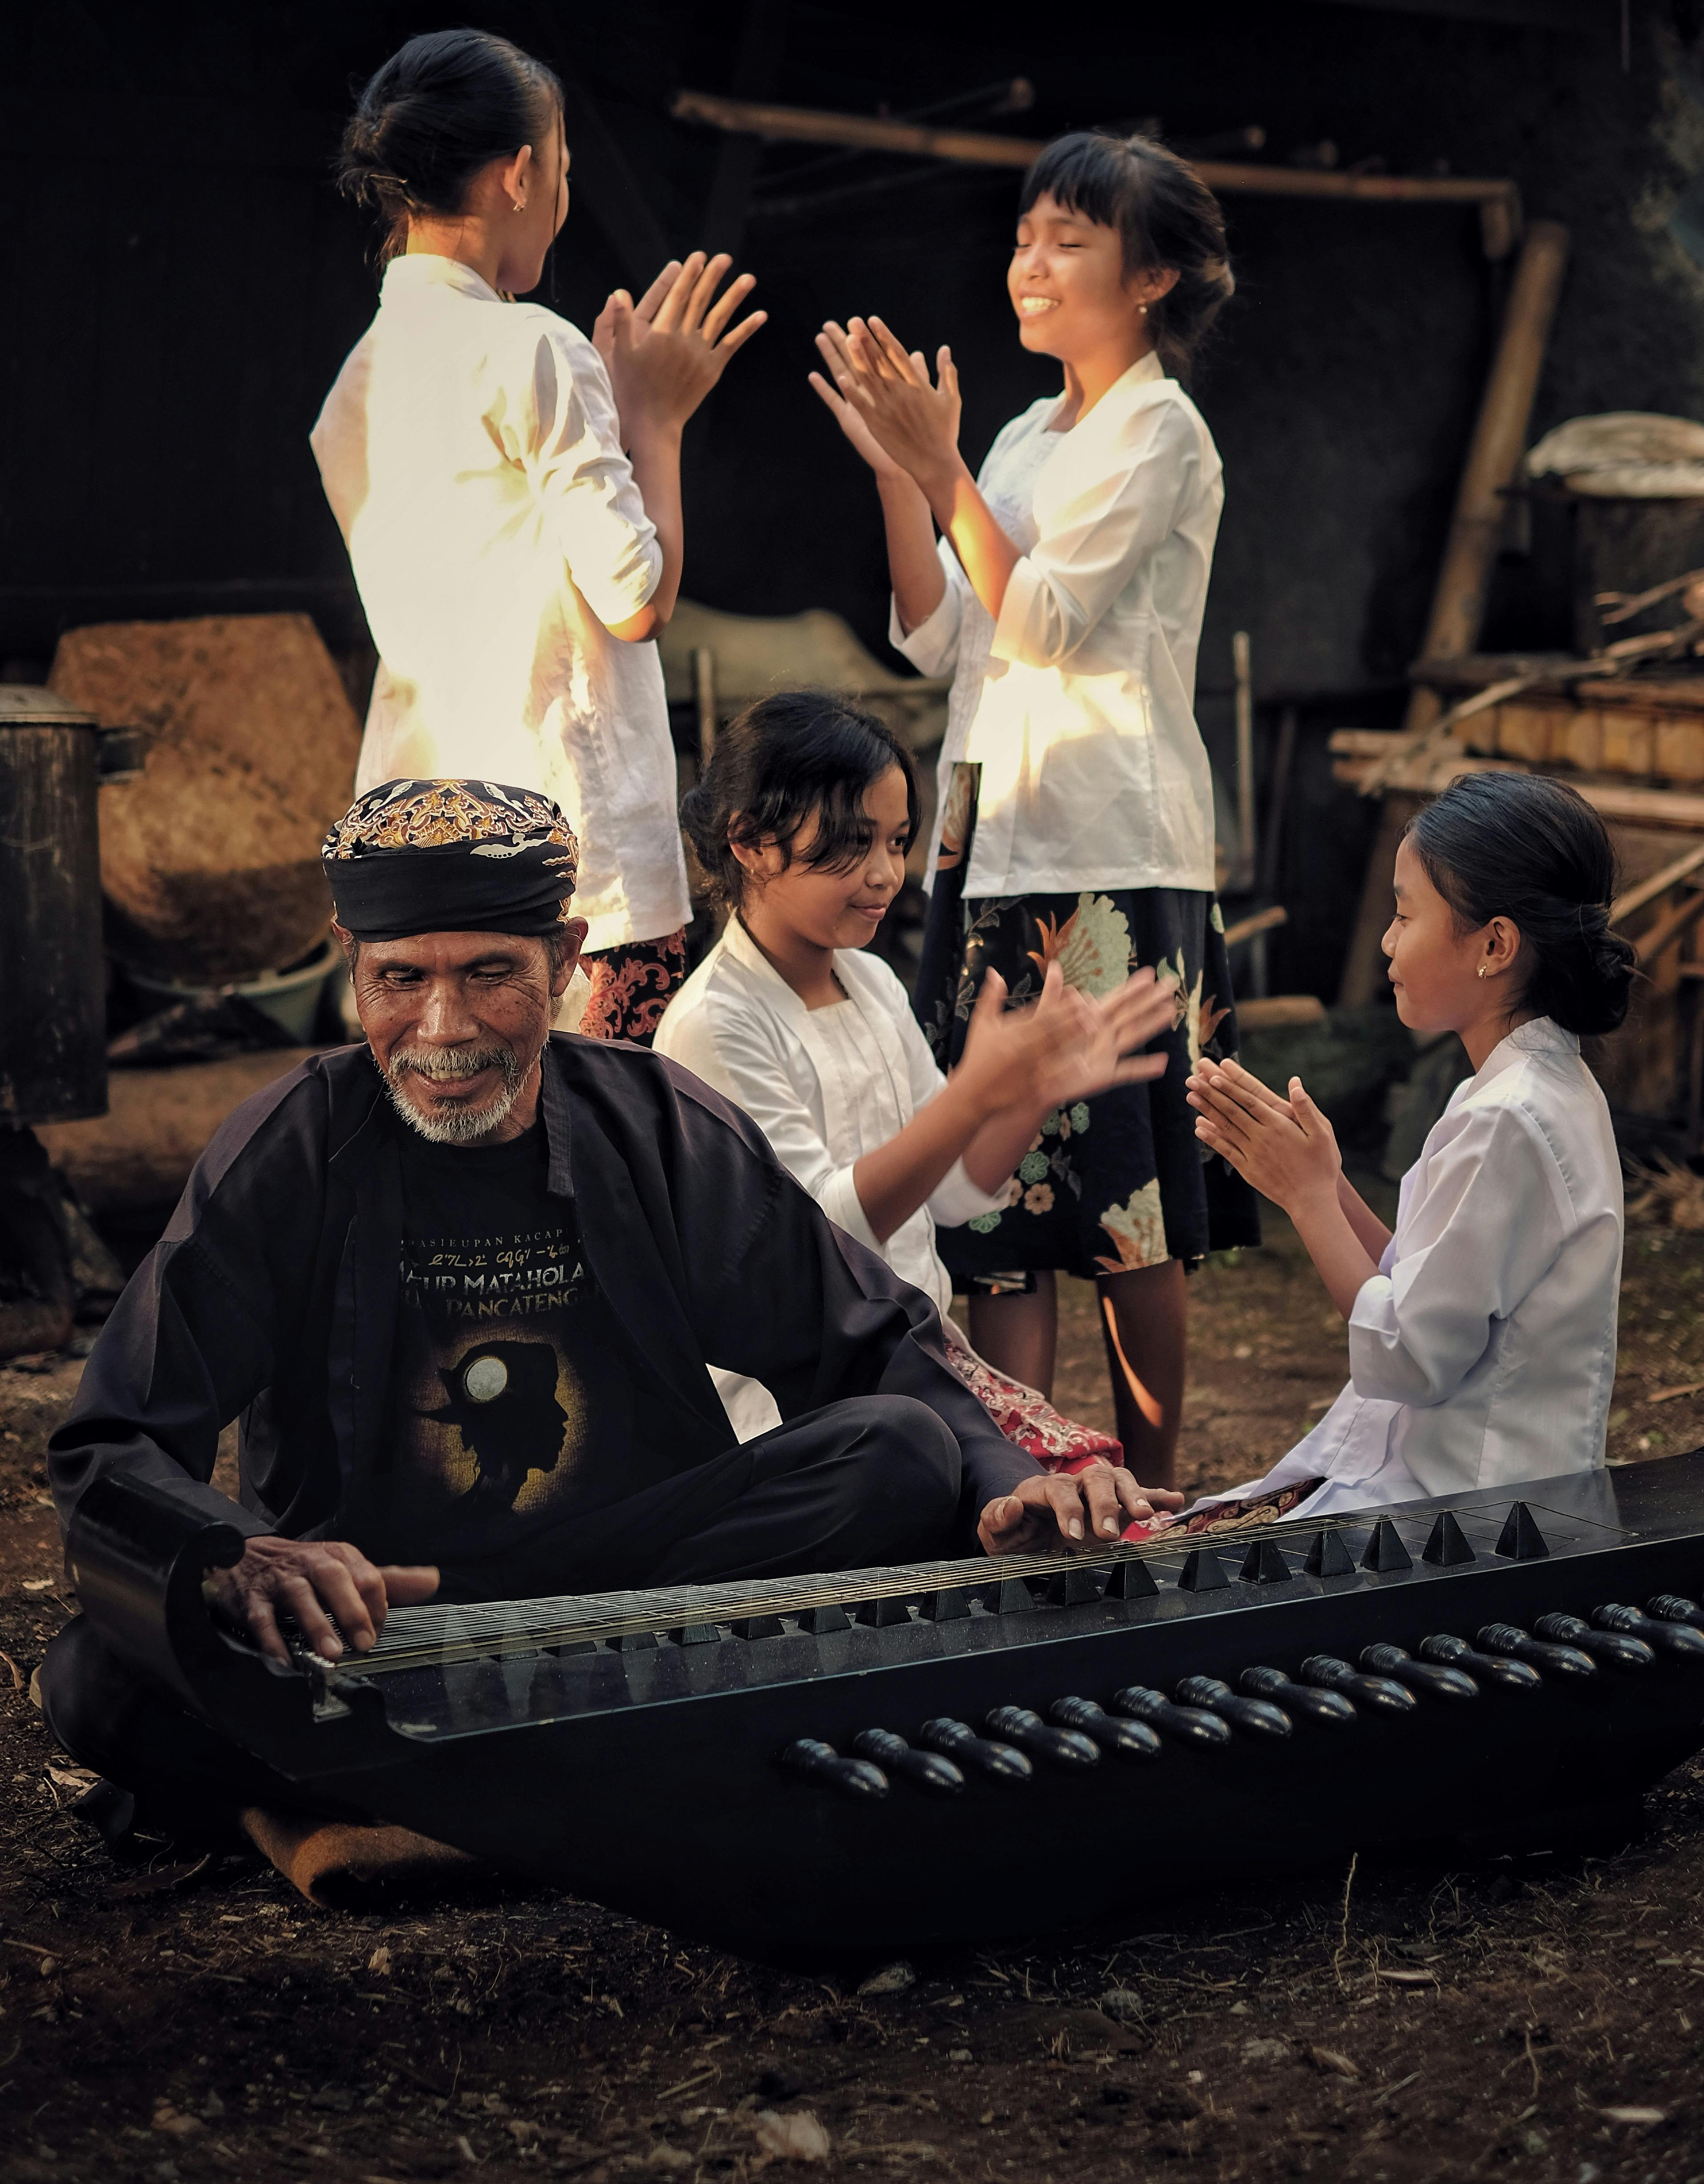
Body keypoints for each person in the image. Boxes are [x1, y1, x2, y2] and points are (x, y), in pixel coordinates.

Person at [41, 778, 1163, 1844]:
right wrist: (235, 1554)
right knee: (100, 1678)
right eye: (400, 981)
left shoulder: (658, 1126)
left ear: (568, 960)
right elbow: (115, 1441)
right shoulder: (289, 1150)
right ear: (351, 967)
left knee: (905, 1455)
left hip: (643, 1597)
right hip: (383, 1623)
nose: (443, 1029)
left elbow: (869, 1344)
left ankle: (472, 1792)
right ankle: (633, 1762)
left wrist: (1015, 1479)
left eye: (490, 974)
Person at [810, 128, 1258, 1487]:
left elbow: (1049, 619)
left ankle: (1152, 1474)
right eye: (1022, 236)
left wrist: (941, 468)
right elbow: (941, 636)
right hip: (989, 842)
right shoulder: (1017, 432)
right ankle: (1027, 1473)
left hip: (1109, 849)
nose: (1031, 262)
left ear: (1152, 277)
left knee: (1124, 1201)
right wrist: (905, 469)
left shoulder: (1159, 432)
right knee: (993, 1202)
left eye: (1069, 239)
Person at [313, 27, 765, 1042]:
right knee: (594, 1165)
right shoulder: (530, 348)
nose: (560, 194)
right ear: (519, 175)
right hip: (564, 854)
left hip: (419, 837)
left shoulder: (358, 380)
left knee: (457, 1160)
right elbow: (635, 598)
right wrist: (654, 419)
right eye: (561, 167)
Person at [655, 690, 1183, 1482]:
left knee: (1094, 1504)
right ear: (753, 843)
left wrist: (1030, 1096)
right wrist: (975, 1092)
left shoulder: (870, 982)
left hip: (920, 1367)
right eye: (852, 842)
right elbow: (825, 1237)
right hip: (805, 1410)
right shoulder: (714, 1023)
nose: (885, 874)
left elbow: (955, 1196)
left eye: (898, 841)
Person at [1183, 773, 1633, 1524]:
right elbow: (1423, 1283)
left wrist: (1307, 1202)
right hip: (1469, 1494)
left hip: (1470, 1523)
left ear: (1495, 944)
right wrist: (1327, 1182)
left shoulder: (1509, 1118)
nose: (1388, 940)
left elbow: (1409, 1355)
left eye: (1403, 914)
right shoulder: (1528, 1089)